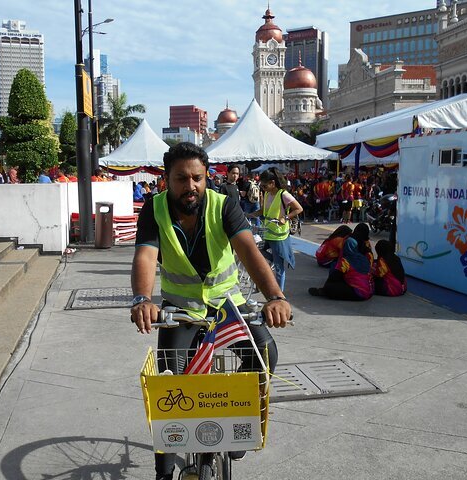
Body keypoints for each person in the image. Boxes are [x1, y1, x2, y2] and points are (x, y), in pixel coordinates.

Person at [130, 142, 292, 480]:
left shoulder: (224, 204)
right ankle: (164, 468)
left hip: (227, 302)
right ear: (166, 179)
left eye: (197, 178)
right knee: (169, 386)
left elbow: (248, 250)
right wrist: (142, 299)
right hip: (181, 308)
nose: (190, 186)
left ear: (207, 178)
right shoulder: (154, 209)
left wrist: (275, 296)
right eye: (181, 179)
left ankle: (240, 424)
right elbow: (145, 255)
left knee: (264, 354)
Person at [248, 168, 303, 291]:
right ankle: (274, 259)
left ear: (272, 183)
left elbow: (299, 209)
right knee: (257, 251)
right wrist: (250, 215)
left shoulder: (284, 194)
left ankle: (279, 295)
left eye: (264, 185)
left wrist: (286, 217)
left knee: (279, 268)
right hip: (267, 232)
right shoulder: (267, 193)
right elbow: (263, 211)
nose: (262, 187)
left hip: (278, 235)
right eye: (261, 185)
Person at [308, 223, 374, 301]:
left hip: (359, 292)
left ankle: (323, 291)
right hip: (370, 292)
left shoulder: (345, 260)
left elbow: (334, 277)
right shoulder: (366, 257)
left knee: (331, 285)